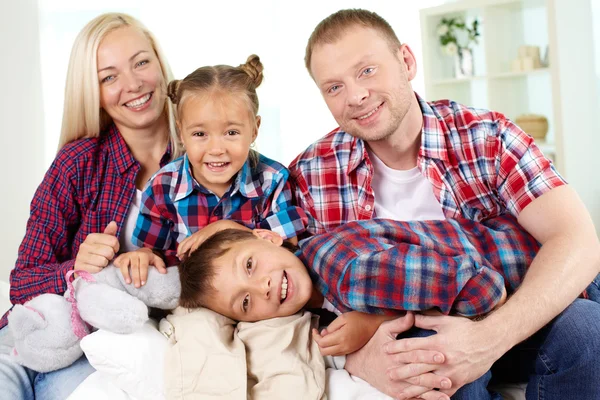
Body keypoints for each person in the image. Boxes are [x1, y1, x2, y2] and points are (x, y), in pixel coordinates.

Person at [288, 8, 600, 400]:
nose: (356, 96)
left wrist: (486, 340)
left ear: (406, 61)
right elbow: (300, 295)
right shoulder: (310, 174)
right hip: (411, 337)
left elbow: (578, 241)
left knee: (589, 328)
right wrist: (357, 364)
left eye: (367, 71)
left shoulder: (487, 137)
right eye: (333, 87)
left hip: (517, 317)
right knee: (433, 363)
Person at [0, 13, 182, 399]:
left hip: (115, 347)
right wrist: (76, 270)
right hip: (44, 332)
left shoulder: (206, 155)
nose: (133, 84)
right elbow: (23, 281)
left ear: (160, 63)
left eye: (141, 62)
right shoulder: (77, 163)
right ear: (93, 92)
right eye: (109, 76)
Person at [177, 212, 541, 358]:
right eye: (245, 303)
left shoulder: (348, 274)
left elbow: (485, 290)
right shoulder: (316, 281)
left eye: (250, 265)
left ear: (269, 237)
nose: (263, 288)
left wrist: (375, 322)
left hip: (546, 273)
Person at [126, 55, 306, 268]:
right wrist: (143, 256)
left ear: (255, 129)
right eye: (200, 134)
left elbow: (288, 247)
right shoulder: (161, 188)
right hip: (186, 294)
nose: (217, 150)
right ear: (182, 133)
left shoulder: (272, 180)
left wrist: (226, 229)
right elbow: (150, 251)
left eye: (231, 132)